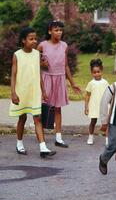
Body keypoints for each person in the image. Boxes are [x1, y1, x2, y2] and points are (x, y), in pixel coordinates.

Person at [9, 27, 55, 158]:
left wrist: (44, 91)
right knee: (22, 118)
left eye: (35, 38)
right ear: (24, 40)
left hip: (34, 91)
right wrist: (13, 92)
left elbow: (38, 73)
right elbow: (13, 75)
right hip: (21, 91)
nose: (34, 41)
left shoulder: (36, 54)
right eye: (31, 39)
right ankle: (19, 144)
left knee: (38, 118)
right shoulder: (17, 55)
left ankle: (43, 148)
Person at [38, 20, 81, 148]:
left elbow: (66, 65)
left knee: (58, 108)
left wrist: (72, 83)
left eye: (61, 30)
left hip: (59, 78)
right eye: (56, 30)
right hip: (46, 78)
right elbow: (33, 63)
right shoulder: (42, 45)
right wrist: (41, 64)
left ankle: (58, 137)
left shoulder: (64, 46)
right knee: (44, 107)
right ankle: (41, 137)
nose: (59, 32)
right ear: (49, 31)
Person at [84, 58, 109, 145]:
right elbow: (87, 95)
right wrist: (86, 107)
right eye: (94, 72)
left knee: (106, 123)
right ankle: (90, 136)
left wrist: (110, 104)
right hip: (94, 106)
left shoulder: (105, 82)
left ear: (101, 71)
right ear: (91, 73)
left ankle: (107, 138)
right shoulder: (91, 83)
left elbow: (109, 94)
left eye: (98, 72)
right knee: (93, 121)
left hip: (104, 106)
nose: (96, 74)